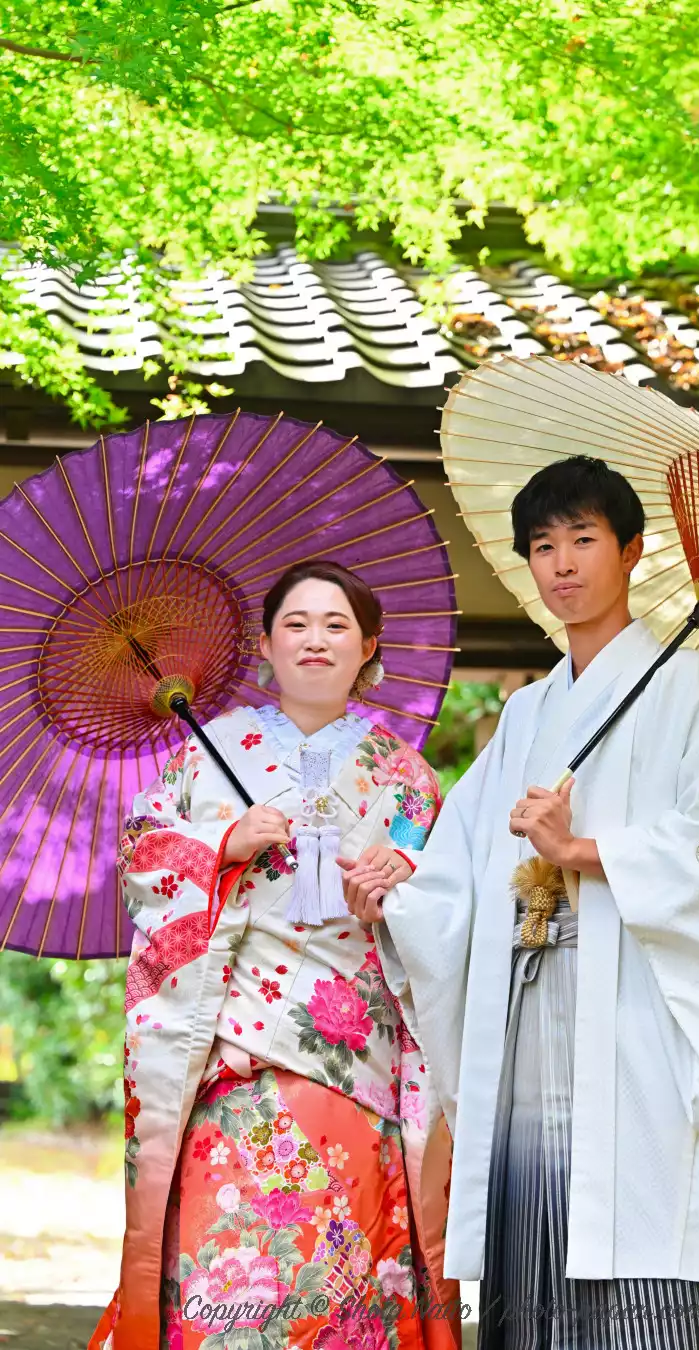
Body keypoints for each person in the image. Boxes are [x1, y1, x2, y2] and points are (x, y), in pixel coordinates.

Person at [342, 457, 699, 1350]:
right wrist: (400, 887)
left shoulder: (687, 689)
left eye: (584, 539)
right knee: (539, 1209)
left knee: (643, 1205)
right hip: (531, 1006)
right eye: (543, 546)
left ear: (632, 551)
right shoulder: (531, 712)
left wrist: (582, 850)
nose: (563, 564)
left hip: (637, 1009)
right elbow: (459, 861)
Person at [90, 561, 460, 1350]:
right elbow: (142, 856)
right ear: (265, 644)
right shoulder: (207, 753)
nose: (316, 640)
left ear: (370, 647)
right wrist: (224, 840)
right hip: (234, 1049)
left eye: (336, 625)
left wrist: (406, 883)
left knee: (347, 1270)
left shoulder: (408, 777)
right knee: (231, 1265)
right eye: (296, 624)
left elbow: (455, 894)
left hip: (360, 1057)